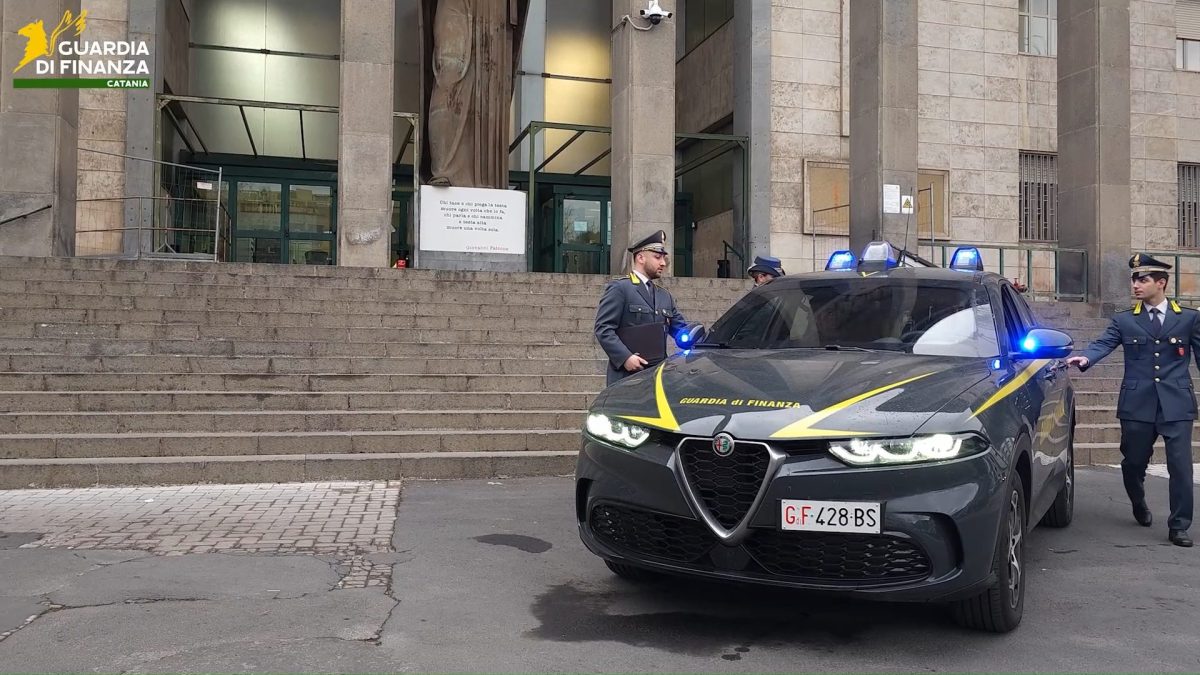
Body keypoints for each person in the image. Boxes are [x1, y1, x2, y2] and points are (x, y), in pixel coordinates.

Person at [1066, 253, 1198, 547]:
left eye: (1143, 279)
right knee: (1134, 462)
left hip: (1177, 403)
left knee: (1181, 466)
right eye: (1134, 280)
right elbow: (1104, 343)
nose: (1136, 285)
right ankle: (1138, 501)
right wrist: (1085, 357)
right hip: (1137, 403)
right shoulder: (1125, 320)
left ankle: (1179, 525)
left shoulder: (1188, 318)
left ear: (1161, 283)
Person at [594, 230, 690, 386]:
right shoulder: (621, 288)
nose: (663, 263)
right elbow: (603, 329)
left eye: (663, 258)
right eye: (657, 257)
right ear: (640, 258)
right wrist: (625, 357)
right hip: (626, 378)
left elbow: (681, 330)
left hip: (657, 378)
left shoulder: (664, 296)